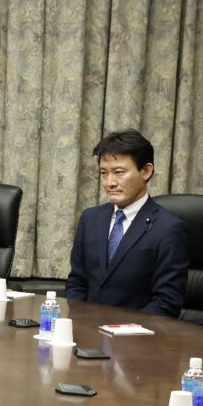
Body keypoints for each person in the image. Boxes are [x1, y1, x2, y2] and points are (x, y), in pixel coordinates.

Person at [65, 129, 188, 317]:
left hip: (136, 339)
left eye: (119, 172)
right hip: (86, 335)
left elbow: (166, 302)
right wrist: (79, 322)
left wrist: (121, 331)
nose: (109, 182)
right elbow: (77, 282)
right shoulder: (90, 219)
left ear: (146, 171)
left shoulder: (168, 228)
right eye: (104, 173)